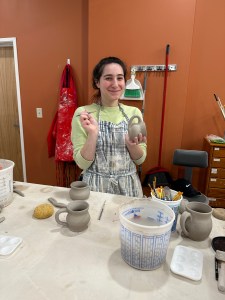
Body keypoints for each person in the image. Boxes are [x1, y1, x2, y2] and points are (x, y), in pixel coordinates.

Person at [71, 56, 147, 197]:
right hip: (95, 187)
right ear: (97, 82)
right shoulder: (84, 114)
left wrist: (132, 145)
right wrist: (93, 134)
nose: (115, 84)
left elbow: (140, 159)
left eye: (119, 78)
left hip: (129, 188)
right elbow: (82, 164)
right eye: (108, 78)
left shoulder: (134, 113)